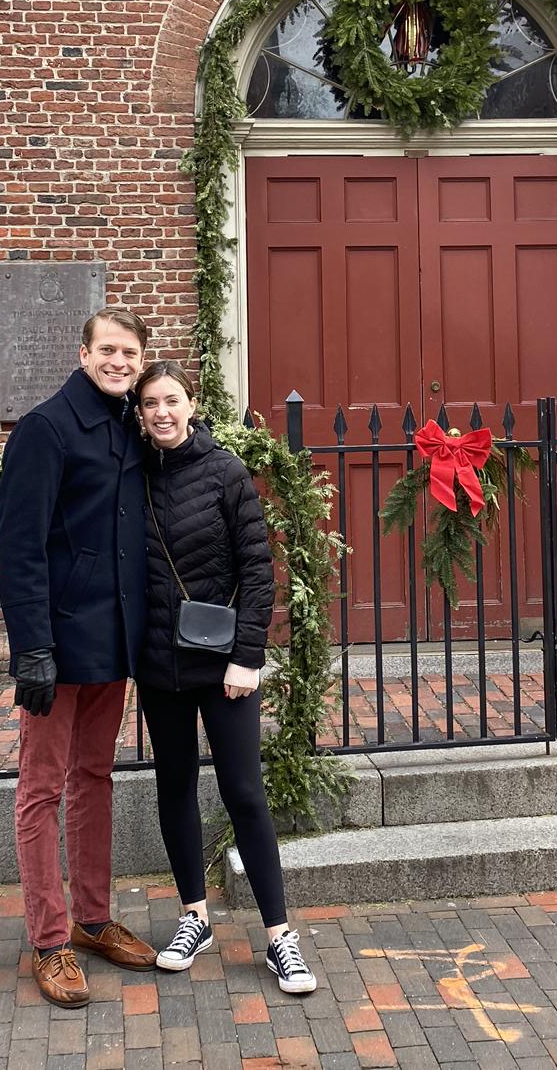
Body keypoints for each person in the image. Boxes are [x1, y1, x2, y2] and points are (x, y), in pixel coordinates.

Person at [134, 360, 318, 995]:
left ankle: (279, 937)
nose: (162, 411)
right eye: (150, 402)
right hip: (159, 664)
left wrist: (248, 656)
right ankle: (194, 917)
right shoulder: (132, 475)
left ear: (192, 405)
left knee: (243, 792)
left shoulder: (225, 472)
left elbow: (258, 571)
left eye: (172, 400)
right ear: (139, 413)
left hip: (224, 666)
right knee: (175, 787)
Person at [0, 307, 158, 1007]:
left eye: (130, 353)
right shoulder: (47, 429)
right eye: (108, 350)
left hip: (113, 639)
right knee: (42, 788)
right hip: (58, 644)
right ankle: (51, 939)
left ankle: (93, 919)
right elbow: (19, 547)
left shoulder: (131, 425)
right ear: (84, 352)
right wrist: (32, 646)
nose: (119, 362)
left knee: (96, 776)